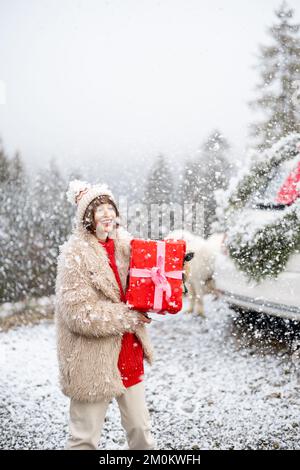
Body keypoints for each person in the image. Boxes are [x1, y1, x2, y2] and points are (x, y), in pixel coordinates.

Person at [55, 180, 156, 450]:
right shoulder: (75, 255)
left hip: (129, 355)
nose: (107, 213)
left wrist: (174, 266)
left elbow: (151, 275)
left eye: (109, 206)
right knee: (84, 439)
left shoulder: (126, 246)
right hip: (92, 361)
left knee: (141, 434)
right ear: (87, 218)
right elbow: (79, 314)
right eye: (98, 209)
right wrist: (129, 318)